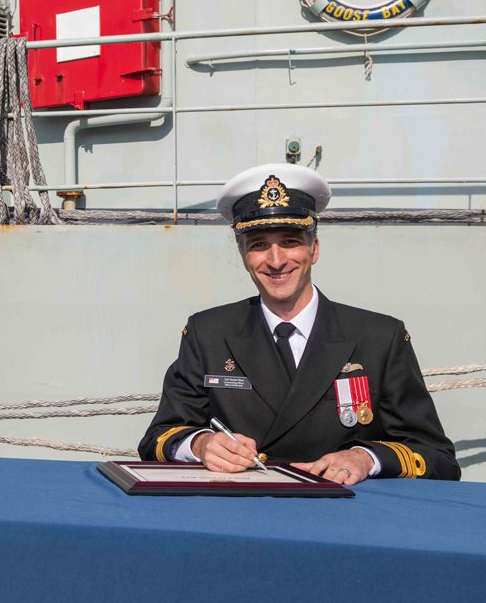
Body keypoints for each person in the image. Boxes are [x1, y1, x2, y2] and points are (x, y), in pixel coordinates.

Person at [138, 164, 459, 483]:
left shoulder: (378, 338)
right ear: (243, 255)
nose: (276, 261)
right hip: (239, 512)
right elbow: (159, 437)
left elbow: (436, 457)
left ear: (314, 248)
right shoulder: (208, 333)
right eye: (259, 245)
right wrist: (202, 444)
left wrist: (366, 457)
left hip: (340, 517)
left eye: (290, 241)